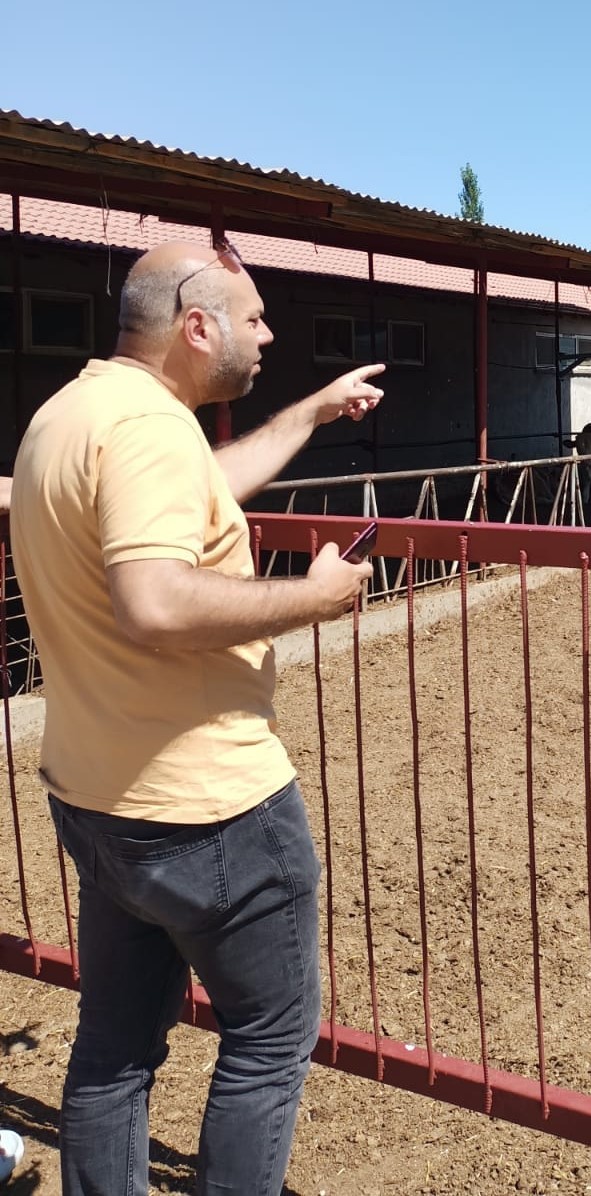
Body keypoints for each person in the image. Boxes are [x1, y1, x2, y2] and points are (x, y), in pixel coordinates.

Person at [10, 239, 385, 1195]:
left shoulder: (74, 415)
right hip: (210, 808)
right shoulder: (147, 432)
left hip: (100, 798)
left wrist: (311, 408)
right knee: (269, 1040)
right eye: (254, 318)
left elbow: (199, 495)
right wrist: (318, 594)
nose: (268, 334)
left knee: (115, 1049)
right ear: (198, 325)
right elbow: (158, 601)